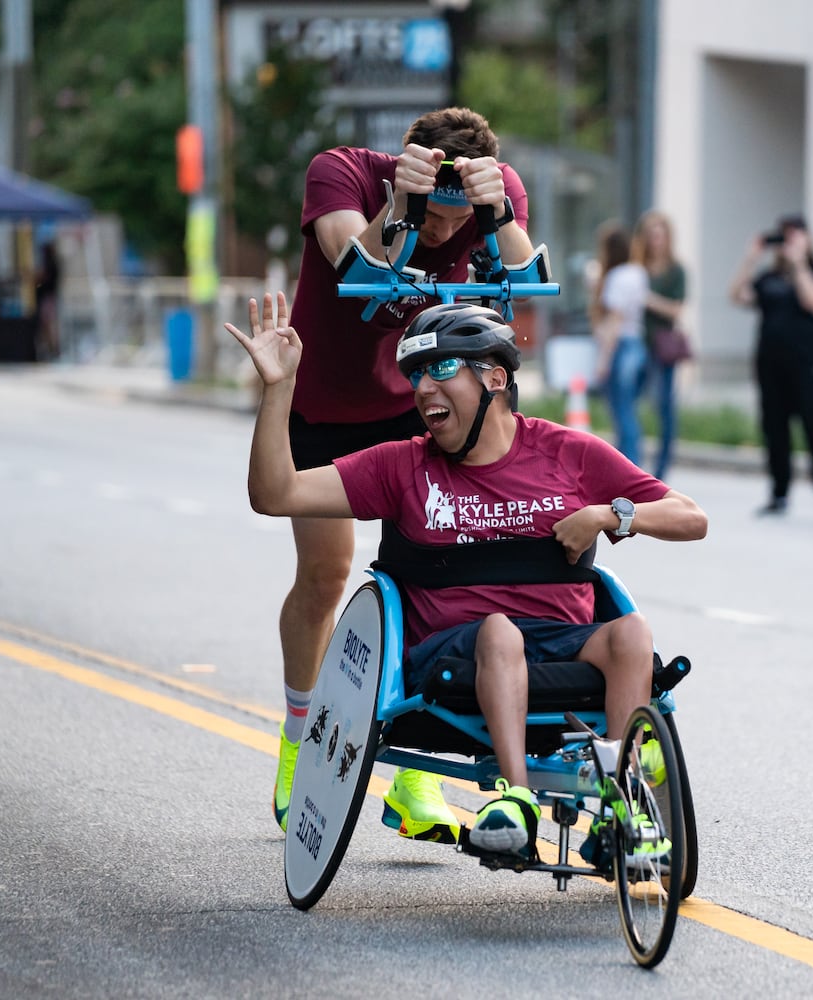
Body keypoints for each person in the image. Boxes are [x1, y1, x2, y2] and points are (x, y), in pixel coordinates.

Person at [225, 294, 708, 857]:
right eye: (416, 375)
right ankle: (515, 799)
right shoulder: (400, 465)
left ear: (495, 378)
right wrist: (279, 389)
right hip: (450, 659)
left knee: (632, 632)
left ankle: (619, 808)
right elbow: (275, 494)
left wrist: (611, 513)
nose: (424, 387)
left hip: (558, 647)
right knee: (499, 631)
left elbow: (691, 518)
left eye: (443, 367)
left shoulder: (569, 453)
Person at [263, 107, 536, 846]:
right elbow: (357, 269)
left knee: (435, 573)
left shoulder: (488, 194)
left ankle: (417, 772)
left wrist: (500, 207)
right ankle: (298, 742)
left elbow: (527, 289)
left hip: (421, 400)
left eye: (458, 218)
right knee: (326, 575)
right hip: (324, 403)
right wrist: (402, 209)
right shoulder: (343, 173)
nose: (448, 235)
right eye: (437, 217)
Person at [729, 214, 813, 518]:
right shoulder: (768, 277)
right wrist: (751, 258)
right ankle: (779, 494)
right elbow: (737, 295)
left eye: (794, 236)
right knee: (775, 431)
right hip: (772, 366)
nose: (788, 244)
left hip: (810, 366)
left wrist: (799, 265)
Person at [589, 221, 649, 465]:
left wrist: (603, 359)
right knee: (629, 409)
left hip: (620, 346)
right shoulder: (638, 273)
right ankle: (632, 462)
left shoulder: (616, 276)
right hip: (637, 343)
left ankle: (629, 464)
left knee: (621, 411)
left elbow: (614, 320)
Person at [634, 210, 688, 480]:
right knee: (628, 403)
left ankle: (661, 469)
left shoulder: (675, 270)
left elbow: (676, 310)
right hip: (634, 343)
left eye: (660, 234)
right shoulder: (636, 267)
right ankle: (632, 462)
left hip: (661, 346)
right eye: (651, 235)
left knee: (665, 407)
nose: (655, 240)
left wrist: (646, 298)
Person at [33, 241, 60, 361]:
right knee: (46, 325)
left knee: (48, 324)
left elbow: (43, 279)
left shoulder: (52, 265)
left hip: (48, 298)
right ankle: (50, 349)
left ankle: (53, 349)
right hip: (48, 298)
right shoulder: (51, 264)